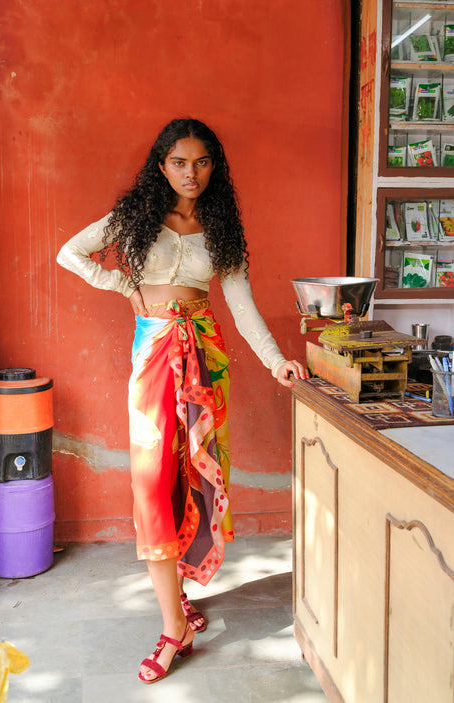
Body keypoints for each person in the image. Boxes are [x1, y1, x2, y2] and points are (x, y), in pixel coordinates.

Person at [57, 118, 308, 684]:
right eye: (178, 162)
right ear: (161, 165)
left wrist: (276, 361)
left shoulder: (221, 229)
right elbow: (70, 253)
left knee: (192, 479)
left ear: (213, 166)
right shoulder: (136, 218)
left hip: (205, 358)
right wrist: (126, 288)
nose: (189, 173)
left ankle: (177, 615)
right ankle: (176, 625)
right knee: (151, 483)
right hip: (153, 356)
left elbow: (241, 307)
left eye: (200, 162)